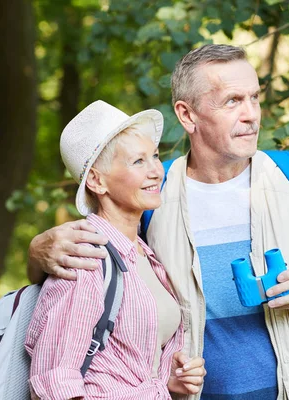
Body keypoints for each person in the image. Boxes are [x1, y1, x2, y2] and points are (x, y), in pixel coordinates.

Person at [28, 45, 289, 400]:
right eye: (233, 101)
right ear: (187, 115)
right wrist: (36, 253)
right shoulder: (151, 198)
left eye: (254, 97)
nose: (251, 114)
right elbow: (81, 288)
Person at [24, 100, 206, 400]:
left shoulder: (144, 254)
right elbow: (55, 383)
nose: (156, 171)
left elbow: (124, 365)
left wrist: (167, 380)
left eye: (155, 156)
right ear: (97, 180)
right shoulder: (85, 259)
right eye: (138, 162)